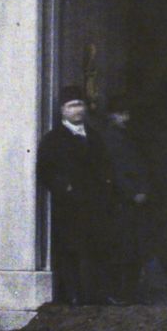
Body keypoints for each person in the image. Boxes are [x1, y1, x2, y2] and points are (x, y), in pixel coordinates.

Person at [38, 86, 113, 307]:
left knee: (97, 248)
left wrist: (105, 188)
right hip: (70, 206)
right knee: (70, 249)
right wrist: (65, 188)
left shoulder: (95, 137)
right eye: (71, 106)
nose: (77, 110)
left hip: (96, 204)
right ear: (62, 110)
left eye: (80, 105)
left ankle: (95, 294)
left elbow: (106, 166)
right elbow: (45, 172)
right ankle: (72, 296)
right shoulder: (53, 140)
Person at [98, 98, 152, 304]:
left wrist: (143, 189)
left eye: (126, 113)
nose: (125, 118)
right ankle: (120, 292)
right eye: (121, 114)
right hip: (120, 201)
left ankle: (128, 291)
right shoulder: (111, 138)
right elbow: (116, 172)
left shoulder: (124, 136)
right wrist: (133, 193)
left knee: (132, 246)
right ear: (111, 115)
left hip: (130, 200)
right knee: (123, 247)